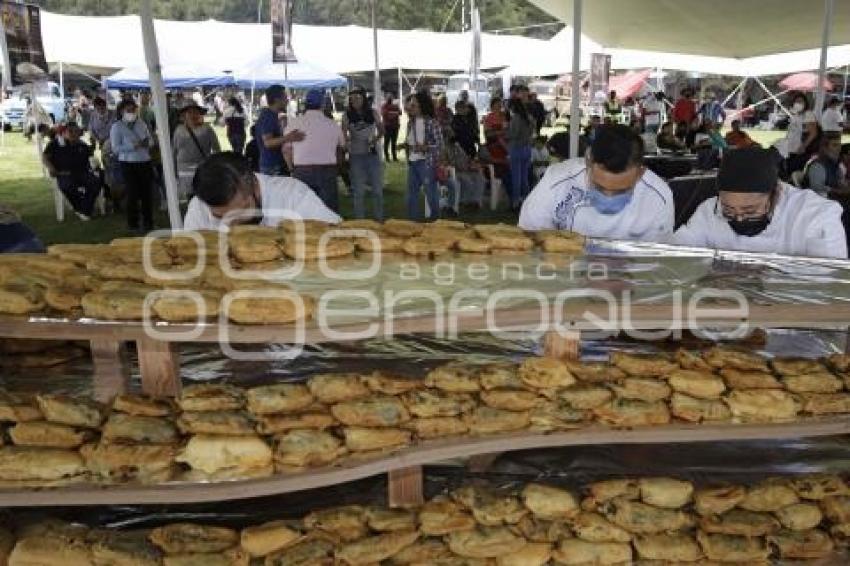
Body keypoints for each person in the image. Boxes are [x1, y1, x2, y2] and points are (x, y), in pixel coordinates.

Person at [672, 147, 846, 258]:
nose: (739, 219)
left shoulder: (816, 215)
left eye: (750, 211)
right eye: (729, 210)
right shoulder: (709, 211)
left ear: (776, 192)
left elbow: (827, 282)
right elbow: (675, 255)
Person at [519, 124, 674, 242]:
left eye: (621, 191)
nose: (609, 197)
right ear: (588, 162)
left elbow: (654, 263)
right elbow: (529, 241)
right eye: (599, 187)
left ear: (640, 173)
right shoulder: (555, 183)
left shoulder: (659, 198)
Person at [184, 152, 340, 230]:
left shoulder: (292, 195)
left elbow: (338, 235)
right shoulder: (199, 206)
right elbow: (187, 258)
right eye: (220, 217)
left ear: (253, 184)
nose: (232, 226)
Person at [284, 89, 346, 213]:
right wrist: (339, 168)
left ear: (305, 104)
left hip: (301, 171)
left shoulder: (293, 123)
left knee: (303, 210)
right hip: (327, 170)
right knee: (329, 212)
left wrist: (291, 169)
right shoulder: (333, 125)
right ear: (322, 104)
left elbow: (286, 151)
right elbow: (341, 149)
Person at [110, 99, 155, 232]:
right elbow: (115, 149)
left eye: (133, 110)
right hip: (128, 163)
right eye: (128, 110)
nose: (132, 112)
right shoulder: (117, 127)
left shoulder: (141, 123)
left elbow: (150, 140)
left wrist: (149, 143)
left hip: (144, 161)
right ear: (121, 111)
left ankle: (148, 222)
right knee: (132, 193)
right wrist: (133, 146)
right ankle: (133, 223)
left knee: (147, 193)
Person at [342, 86, 385, 221]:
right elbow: (343, 135)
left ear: (364, 99)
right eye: (352, 98)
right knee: (358, 192)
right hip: (356, 156)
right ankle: (360, 221)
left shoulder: (373, 113)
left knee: (377, 190)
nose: (354, 100)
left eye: (358, 98)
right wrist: (347, 143)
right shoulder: (346, 115)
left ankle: (379, 219)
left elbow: (382, 131)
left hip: (373, 155)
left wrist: (375, 139)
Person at [42, 123, 102, 220]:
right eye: (70, 131)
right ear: (64, 132)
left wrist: (93, 145)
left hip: (82, 172)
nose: (74, 134)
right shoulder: (55, 143)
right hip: (64, 173)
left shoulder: (82, 144)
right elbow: (45, 157)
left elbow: (90, 156)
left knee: (96, 182)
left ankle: (84, 210)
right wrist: (51, 168)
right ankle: (82, 208)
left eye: (76, 131)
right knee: (68, 185)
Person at [403, 91, 442, 221]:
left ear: (421, 106)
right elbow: (411, 142)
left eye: (414, 105)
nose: (410, 107)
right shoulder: (411, 123)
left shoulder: (432, 123)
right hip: (413, 163)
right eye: (410, 104)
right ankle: (413, 224)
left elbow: (440, 145)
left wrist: (426, 147)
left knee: (431, 195)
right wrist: (405, 146)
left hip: (426, 163)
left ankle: (436, 221)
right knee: (411, 195)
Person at [172, 102, 221, 198]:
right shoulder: (178, 130)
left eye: (195, 112)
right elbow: (174, 151)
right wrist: (174, 171)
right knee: (190, 196)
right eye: (189, 112)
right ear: (184, 115)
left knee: (203, 195)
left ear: (199, 114)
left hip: (202, 167)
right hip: (184, 169)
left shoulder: (207, 129)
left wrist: (215, 167)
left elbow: (217, 149)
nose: (192, 115)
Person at [256, 84, 304, 176]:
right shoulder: (268, 116)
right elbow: (268, 143)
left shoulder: (273, 115)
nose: (287, 100)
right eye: (285, 97)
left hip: (274, 164)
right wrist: (288, 137)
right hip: (272, 166)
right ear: (277, 100)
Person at [506, 97, 536, 209]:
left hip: (516, 149)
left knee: (516, 178)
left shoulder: (516, 118)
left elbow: (513, 134)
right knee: (524, 177)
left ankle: (515, 201)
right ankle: (526, 200)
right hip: (527, 149)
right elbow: (532, 131)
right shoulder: (529, 117)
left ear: (513, 107)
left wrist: (506, 131)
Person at [780, 92, 819, 174]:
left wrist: (803, 146)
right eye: (796, 101)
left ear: (805, 103)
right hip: (790, 148)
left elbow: (813, 133)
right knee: (788, 170)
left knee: (794, 171)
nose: (798, 104)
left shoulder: (808, 114)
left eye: (801, 101)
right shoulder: (796, 115)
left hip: (799, 149)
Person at [803, 133, 848, 198]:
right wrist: (837, 191)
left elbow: (839, 181)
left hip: (834, 198)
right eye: (835, 145)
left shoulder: (836, 164)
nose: (839, 148)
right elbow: (816, 187)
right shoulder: (817, 165)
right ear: (825, 148)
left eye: (839, 145)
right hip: (819, 200)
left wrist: (844, 185)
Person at [483, 97, 511, 197]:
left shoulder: (504, 116)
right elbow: (488, 134)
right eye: (497, 104)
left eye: (500, 104)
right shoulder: (488, 117)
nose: (499, 106)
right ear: (492, 105)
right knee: (498, 168)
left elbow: (509, 131)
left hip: (505, 147)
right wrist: (500, 133)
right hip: (494, 147)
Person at [381, 93, 401, 162]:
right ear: (386, 98)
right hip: (387, 126)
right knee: (386, 142)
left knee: (394, 143)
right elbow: (386, 115)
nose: (390, 98)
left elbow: (400, 112)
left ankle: (394, 157)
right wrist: (395, 113)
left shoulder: (395, 105)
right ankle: (387, 157)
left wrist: (391, 113)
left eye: (391, 97)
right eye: (388, 97)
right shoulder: (384, 106)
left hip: (395, 126)